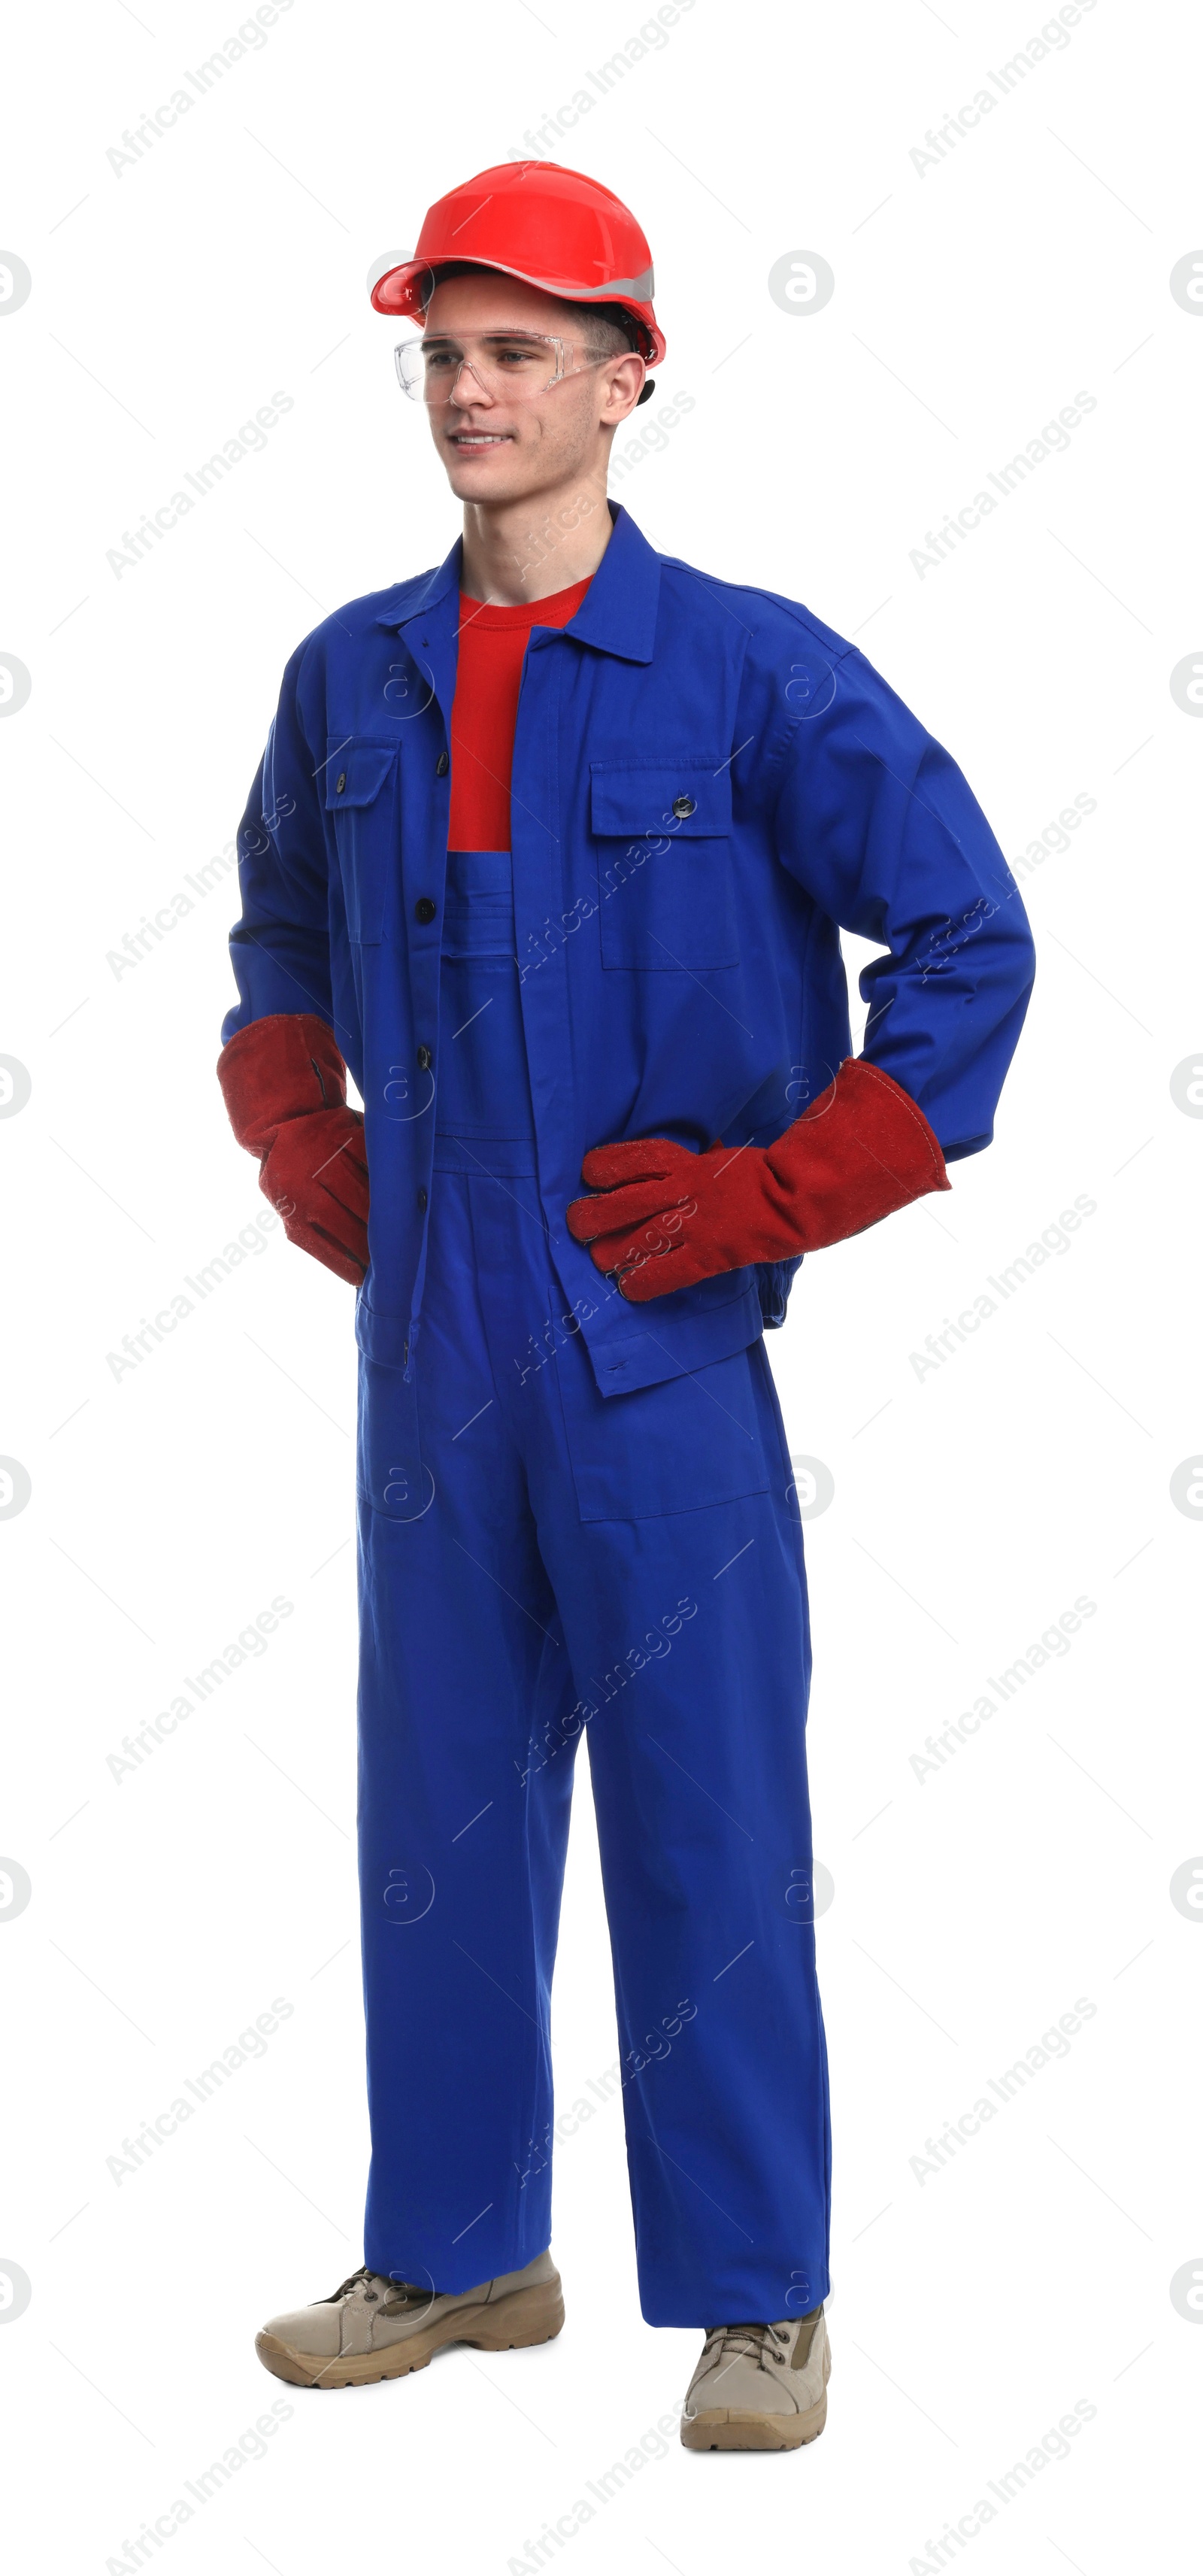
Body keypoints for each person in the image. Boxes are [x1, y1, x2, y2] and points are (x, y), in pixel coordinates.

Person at [218, 159, 1035, 2450]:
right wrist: (313, 1146)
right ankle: (466, 2249)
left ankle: (763, 2291)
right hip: (432, 1344)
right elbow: (279, 930)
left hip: (660, 1343)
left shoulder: (752, 665)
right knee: (441, 1819)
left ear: (624, 378)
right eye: (441, 354)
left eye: (515, 353)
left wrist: (786, 1191)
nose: (469, 391)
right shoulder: (352, 669)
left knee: (706, 1819)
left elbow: (972, 940)